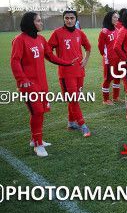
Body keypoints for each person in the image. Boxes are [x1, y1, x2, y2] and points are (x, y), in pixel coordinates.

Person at [11, 12, 77, 157]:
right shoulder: (19, 40)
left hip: (42, 83)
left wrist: (67, 63)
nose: (41, 23)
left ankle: (34, 139)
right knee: (37, 112)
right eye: (39, 21)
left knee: (41, 112)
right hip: (28, 85)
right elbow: (15, 61)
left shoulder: (41, 39)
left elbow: (50, 56)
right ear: (30, 23)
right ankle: (38, 144)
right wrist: (22, 80)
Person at [48, 9, 92, 137]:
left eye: (72, 18)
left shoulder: (79, 33)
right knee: (73, 99)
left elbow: (88, 47)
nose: (69, 20)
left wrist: (85, 59)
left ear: (76, 19)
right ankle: (82, 124)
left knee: (75, 98)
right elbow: (48, 50)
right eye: (66, 18)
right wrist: (59, 61)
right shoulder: (57, 33)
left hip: (79, 71)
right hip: (66, 73)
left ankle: (71, 122)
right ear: (63, 19)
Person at [98, 11, 121, 105]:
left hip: (118, 59)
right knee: (108, 79)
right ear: (109, 18)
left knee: (117, 77)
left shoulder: (116, 29)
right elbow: (100, 47)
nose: (117, 19)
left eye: (117, 17)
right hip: (109, 59)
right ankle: (106, 99)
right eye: (115, 17)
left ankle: (116, 97)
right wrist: (106, 56)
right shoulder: (104, 31)